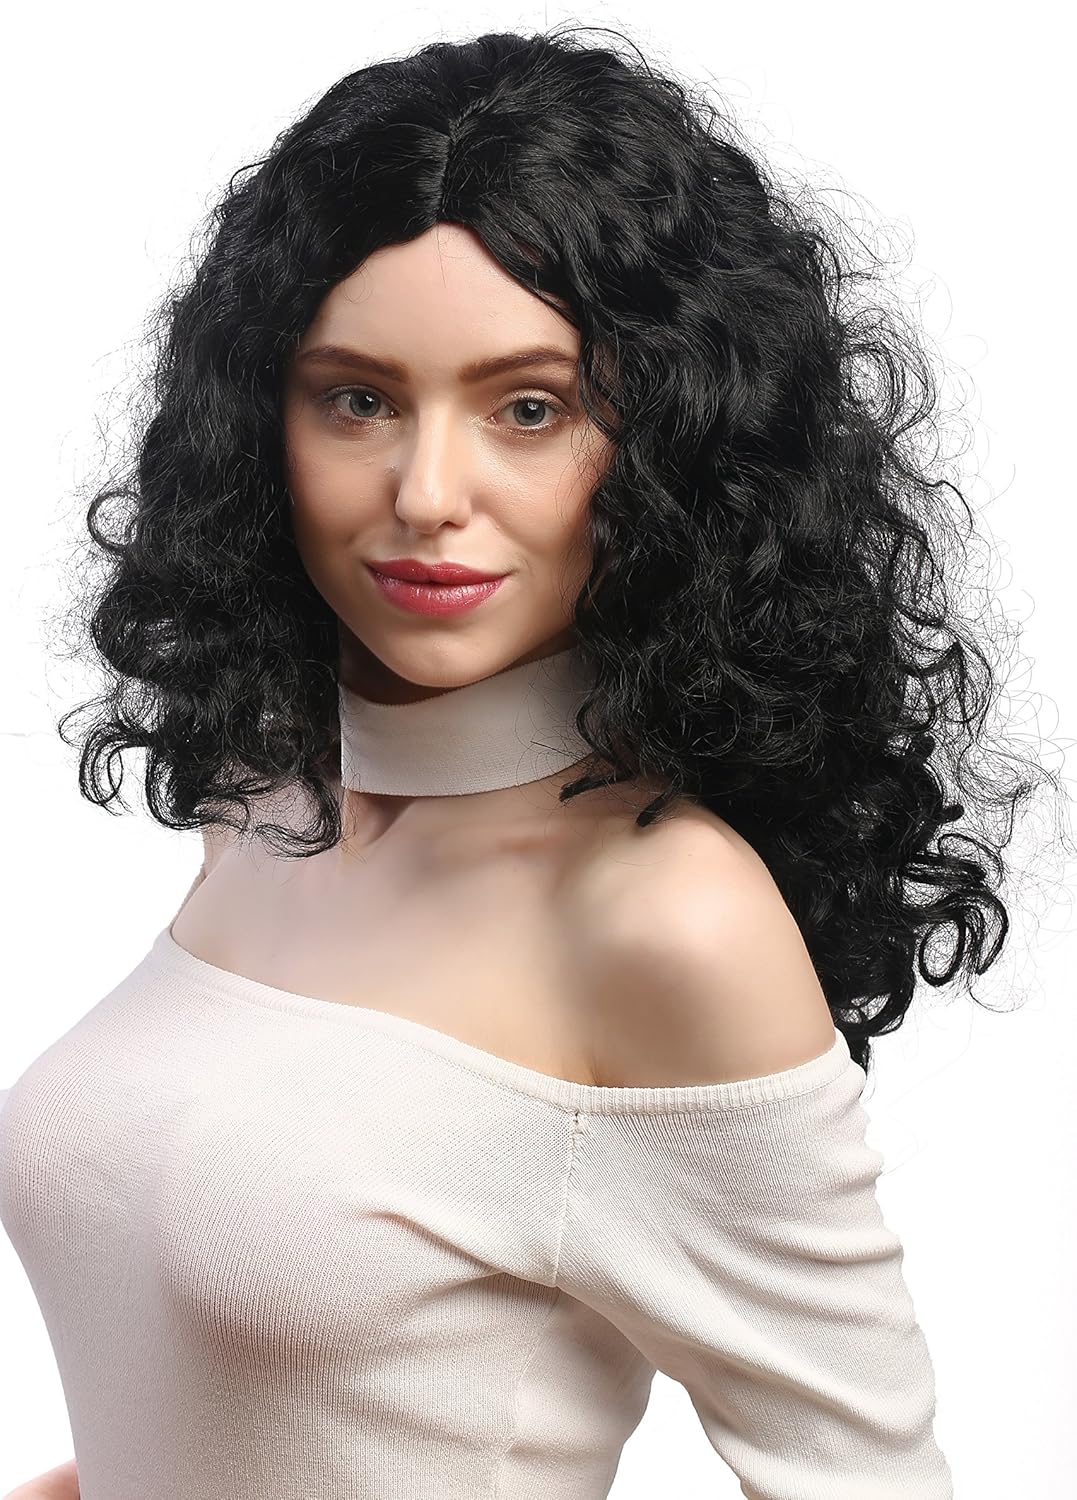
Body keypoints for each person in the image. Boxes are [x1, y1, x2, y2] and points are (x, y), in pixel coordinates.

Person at [3, 21, 1069, 1500]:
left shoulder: (661, 916)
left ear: (674, 448)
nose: (426, 494)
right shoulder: (270, 801)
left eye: (529, 409)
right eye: (358, 398)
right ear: (259, 423)